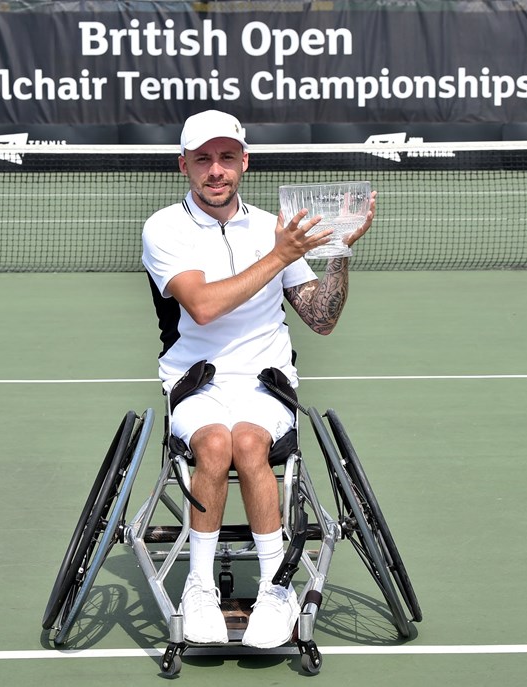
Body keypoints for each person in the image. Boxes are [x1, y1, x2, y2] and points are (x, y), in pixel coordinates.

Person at [140, 110, 374, 649]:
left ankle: (275, 589)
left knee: (248, 441)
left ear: (244, 162)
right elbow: (201, 306)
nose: (215, 170)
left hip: (266, 380)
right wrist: (281, 255)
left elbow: (321, 317)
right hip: (196, 381)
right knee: (216, 443)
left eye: (226, 157)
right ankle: (198, 586)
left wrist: (337, 251)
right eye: (203, 159)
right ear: (184, 166)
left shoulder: (275, 227)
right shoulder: (164, 227)